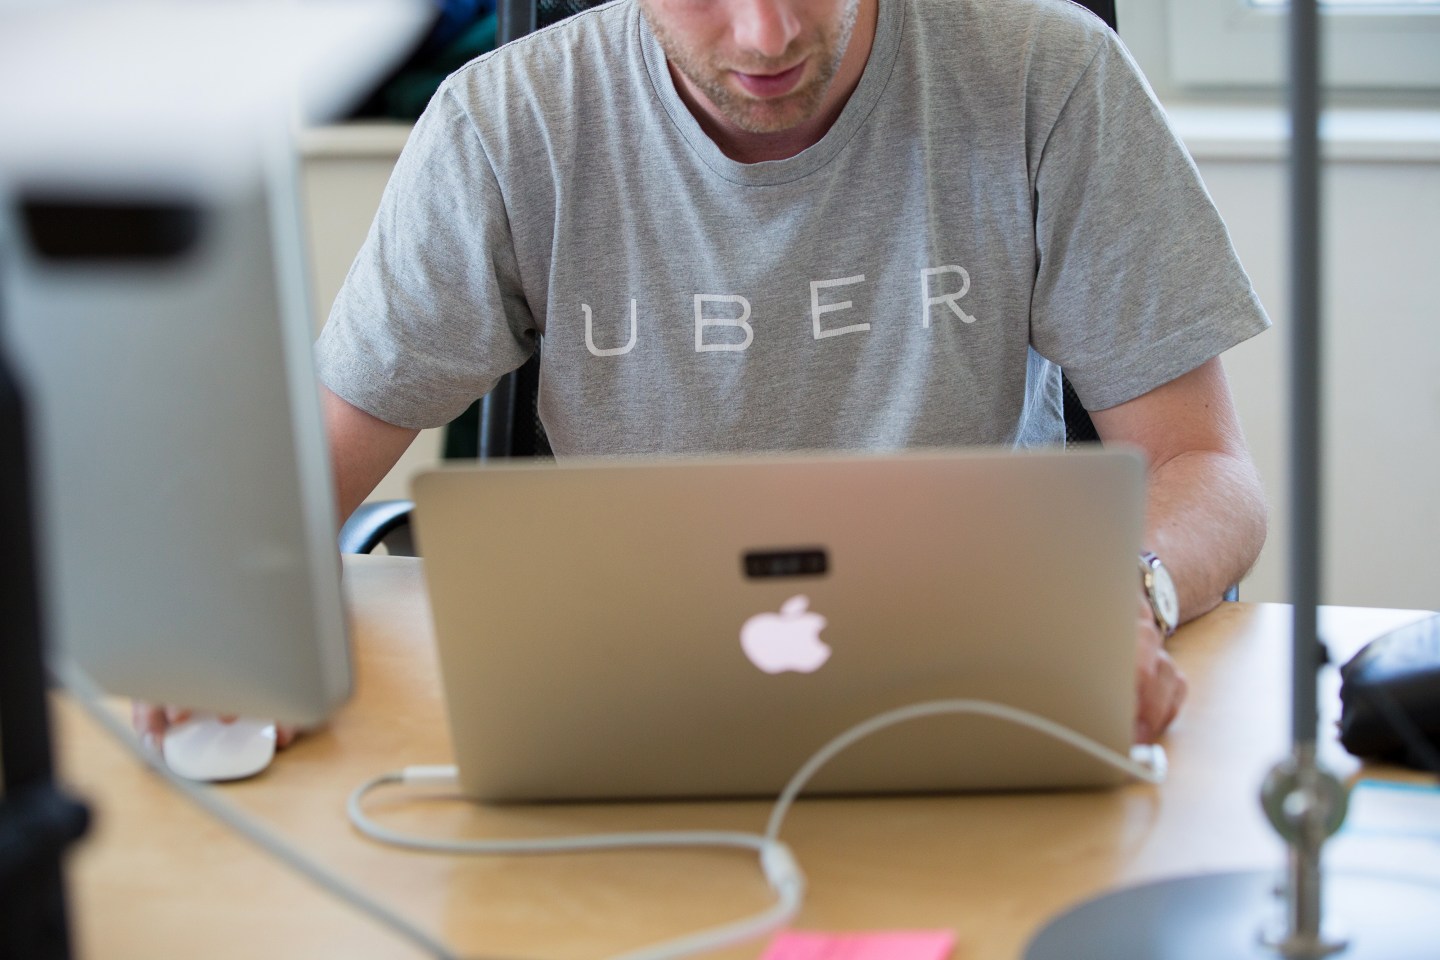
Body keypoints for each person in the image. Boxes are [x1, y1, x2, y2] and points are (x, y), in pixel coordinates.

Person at [139, 0, 1270, 749]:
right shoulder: (506, 126)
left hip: (983, 688)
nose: (767, 36)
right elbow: (307, 474)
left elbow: (1204, 467)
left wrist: (1124, 596)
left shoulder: (1046, 75)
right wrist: (232, 628)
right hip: (627, 704)